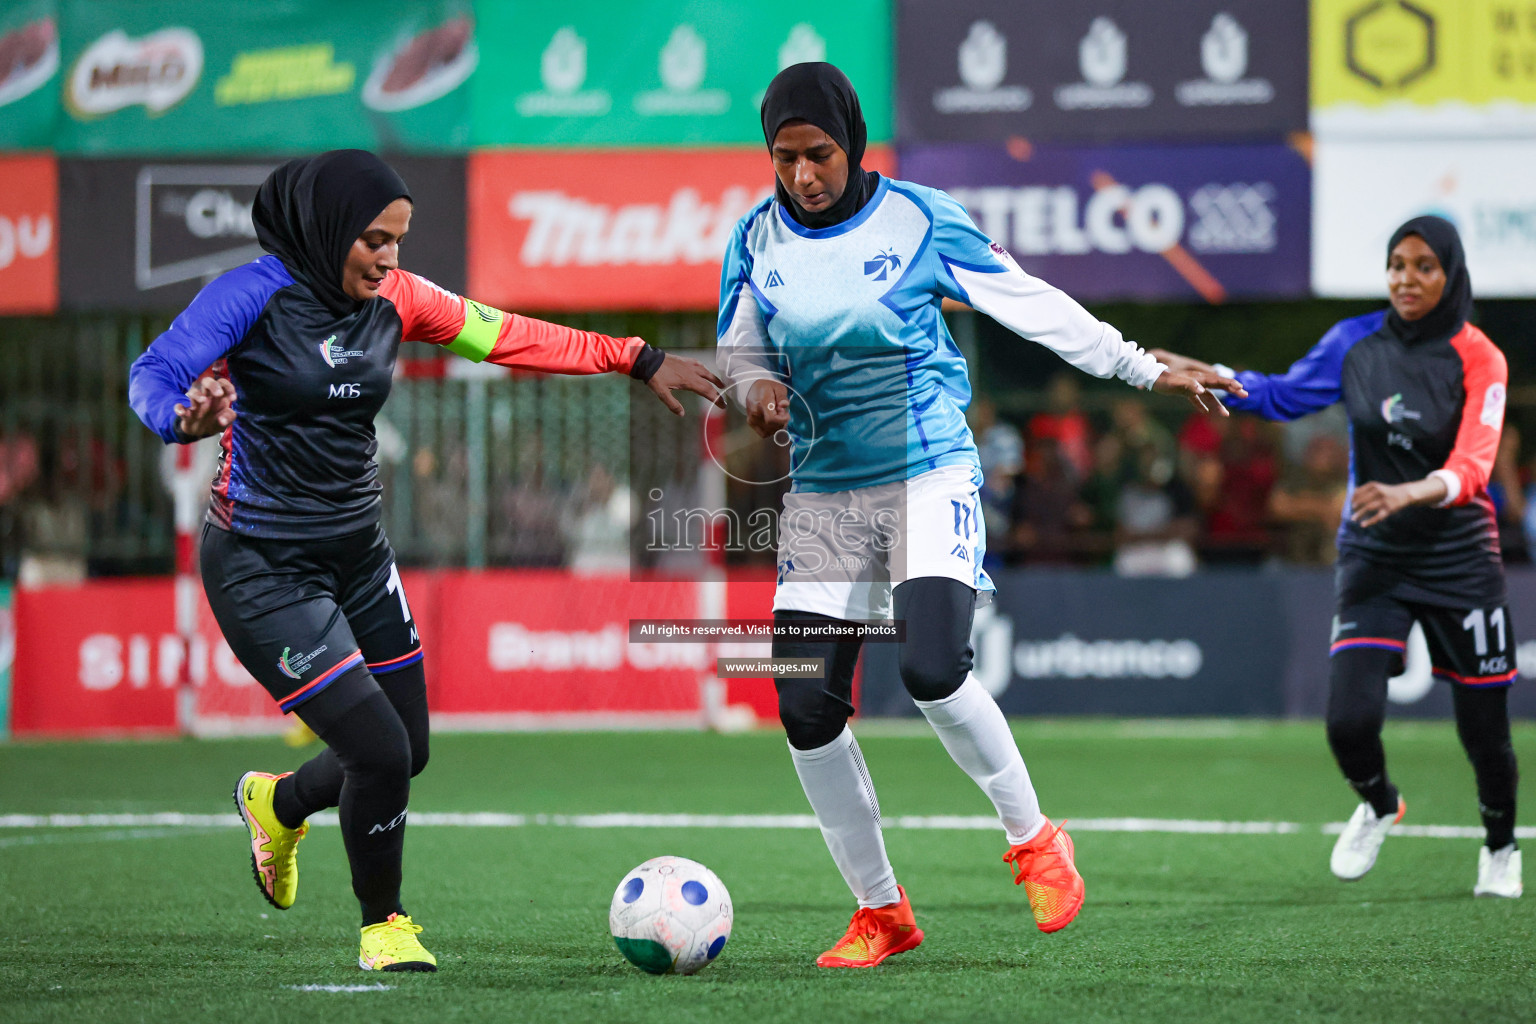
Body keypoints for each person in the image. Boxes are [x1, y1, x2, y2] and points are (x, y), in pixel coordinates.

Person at [128, 150, 723, 971]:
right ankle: (385, 925)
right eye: (373, 239)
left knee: (409, 747)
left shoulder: (400, 299)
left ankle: (278, 803)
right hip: (263, 566)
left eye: (399, 240)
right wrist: (178, 417)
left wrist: (635, 355)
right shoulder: (250, 295)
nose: (390, 258)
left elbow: (507, 335)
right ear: (327, 229)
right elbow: (154, 371)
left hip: (360, 553)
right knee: (377, 752)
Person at [716, 63, 1245, 967]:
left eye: (819, 154)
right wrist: (757, 389)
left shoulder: (920, 219)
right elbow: (739, 343)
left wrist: (1141, 366)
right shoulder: (754, 237)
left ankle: (1037, 840)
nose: (802, 175)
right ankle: (880, 912)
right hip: (827, 492)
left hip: (927, 472)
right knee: (805, 707)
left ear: (852, 142)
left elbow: (1030, 304)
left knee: (930, 666)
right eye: (784, 157)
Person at [1153, 215, 1522, 897]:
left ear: (1451, 274)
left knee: (1486, 733)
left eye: (1423, 267)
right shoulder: (1354, 342)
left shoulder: (1481, 357)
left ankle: (1500, 848)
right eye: (1397, 265)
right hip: (1375, 552)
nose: (1406, 280)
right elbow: (1286, 394)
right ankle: (1381, 803)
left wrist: (1411, 491)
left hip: (1459, 557)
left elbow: (1474, 465)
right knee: (1348, 722)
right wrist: (1224, 376)